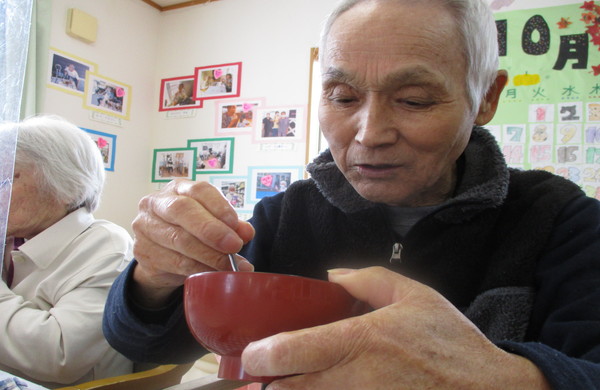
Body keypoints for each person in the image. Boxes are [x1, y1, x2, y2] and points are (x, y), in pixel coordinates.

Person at [103, 0, 600, 389]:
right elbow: (145, 341)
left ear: (485, 98)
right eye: (343, 97)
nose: (369, 133)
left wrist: (504, 379)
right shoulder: (284, 216)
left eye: (414, 100)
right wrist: (155, 277)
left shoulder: (562, 223)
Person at [1, 115, 134, 388]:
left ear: (67, 186)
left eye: (7, 178)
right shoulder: (13, 238)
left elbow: (58, 356)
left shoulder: (106, 246)